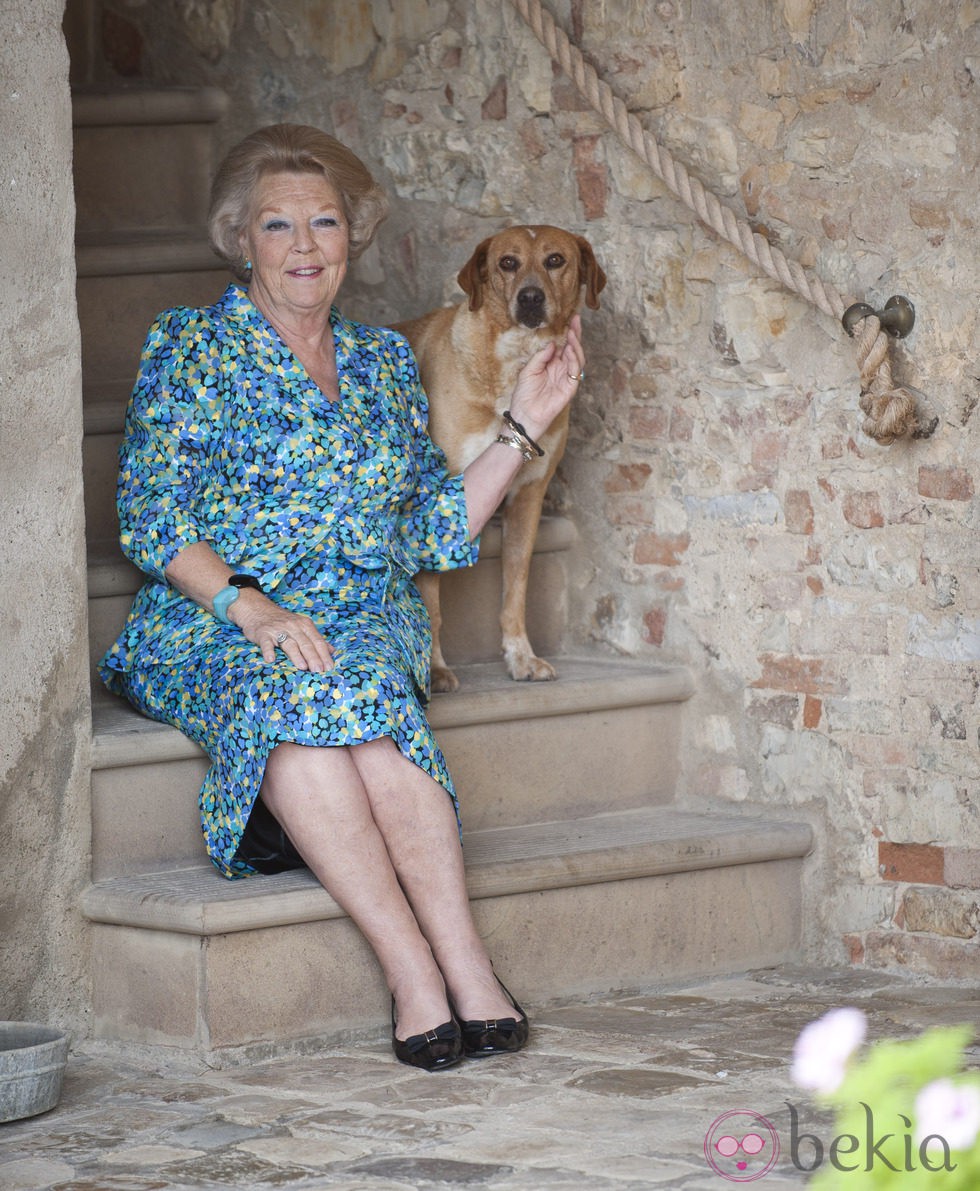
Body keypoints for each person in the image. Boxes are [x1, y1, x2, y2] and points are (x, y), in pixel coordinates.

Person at [99, 123, 586, 1072]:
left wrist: (524, 424)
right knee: (302, 691)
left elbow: (430, 529)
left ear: (351, 237)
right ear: (242, 238)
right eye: (279, 226)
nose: (306, 245)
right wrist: (252, 608)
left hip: (363, 604)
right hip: (216, 613)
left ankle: (466, 965)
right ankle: (415, 972)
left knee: (359, 697)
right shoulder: (190, 344)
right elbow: (151, 515)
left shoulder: (381, 363)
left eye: (325, 223)